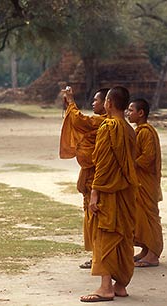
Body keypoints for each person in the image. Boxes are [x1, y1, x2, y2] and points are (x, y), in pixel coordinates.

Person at [80, 86, 138, 302]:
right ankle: (120, 284)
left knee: (105, 236)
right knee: (123, 236)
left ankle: (105, 287)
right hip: (126, 191)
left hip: (108, 192)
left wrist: (95, 192)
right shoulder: (129, 129)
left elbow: (102, 164)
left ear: (109, 104)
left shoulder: (108, 127)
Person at [59, 86, 109, 269]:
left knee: (97, 215)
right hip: (91, 174)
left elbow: (81, 121)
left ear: (107, 103)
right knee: (92, 216)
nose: (93, 103)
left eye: (96, 100)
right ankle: (98, 254)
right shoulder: (103, 122)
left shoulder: (105, 123)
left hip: (98, 176)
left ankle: (100, 256)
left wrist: (72, 101)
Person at [126, 98, 163, 267]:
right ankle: (146, 249)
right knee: (140, 216)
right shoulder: (138, 131)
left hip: (145, 182)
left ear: (141, 113)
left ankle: (154, 253)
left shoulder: (146, 132)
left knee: (150, 216)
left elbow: (148, 157)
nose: (128, 113)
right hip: (139, 181)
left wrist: (130, 164)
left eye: (131, 110)